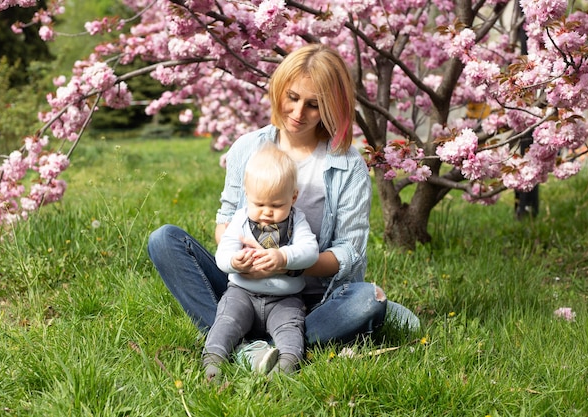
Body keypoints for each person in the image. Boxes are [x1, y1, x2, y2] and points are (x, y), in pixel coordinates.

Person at [147, 43, 420, 373]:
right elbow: (225, 220)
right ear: (279, 90)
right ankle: (251, 348)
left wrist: (287, 264)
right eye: (292, 97)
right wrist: (242, 256)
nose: (298, 113)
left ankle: (249, 341)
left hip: (308, 300)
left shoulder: (347, 166)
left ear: (331, 107)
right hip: (243, 288)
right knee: (164, 240)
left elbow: (350, 252)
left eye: (314, 105)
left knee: (363, 299)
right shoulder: (248, 148)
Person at [203, 142, 319, 380]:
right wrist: (236, 261)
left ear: (293, 197)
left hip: (284, 299)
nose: (267, 212)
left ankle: (286, 364)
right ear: (247, 196)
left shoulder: (297, 221)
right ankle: (213, 360)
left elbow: (310, 252)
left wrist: (283, 256)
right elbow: (222, 255)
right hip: (242, 294)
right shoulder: (240, 220)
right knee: (226, 321)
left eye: (277, 205)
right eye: (259, 204)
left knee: (291, 330)